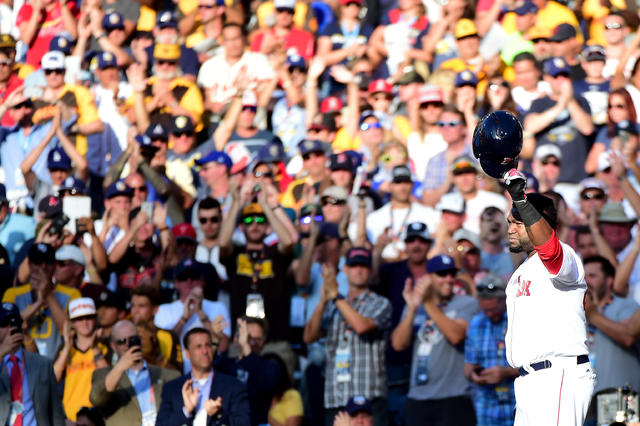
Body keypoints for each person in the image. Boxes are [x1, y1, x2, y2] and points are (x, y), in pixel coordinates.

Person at [502, 170, 595, 425]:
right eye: (510, 222)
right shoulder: (520, 272)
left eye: (517, 223)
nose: (510, 229)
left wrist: (522, 200)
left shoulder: (566, 256)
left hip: (558, 375)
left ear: (538, 223)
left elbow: (550, 251)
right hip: (530, 381)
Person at [303, 247, 392, 426]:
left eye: (364, 266)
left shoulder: (380, 303)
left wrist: (335, 295)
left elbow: (361, 326)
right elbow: (309, 337)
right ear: (345, 269)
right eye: (354, 265)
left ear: (370, 270)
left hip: (369, 401)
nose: (359, 270)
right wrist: (322, 300)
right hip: (337, 400)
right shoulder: (333, 304)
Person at [390, 254, 479, 426]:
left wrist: (428, 303)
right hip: (418, 398)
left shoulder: (466, 303)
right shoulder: (417, 306)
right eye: (442, 274)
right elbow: (398, 344)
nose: (449, 279)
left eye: (452, 274)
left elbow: (456, 335)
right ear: (429, 278)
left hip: (454, 397)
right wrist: (412, 309)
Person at [89, 320, 180, 425]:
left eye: (133, 339)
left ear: (140, 340)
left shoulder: (169, 375)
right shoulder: (103, 374)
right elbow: (96, 399)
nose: (128, 345)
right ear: (113, 346)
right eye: (122, 341)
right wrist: (120, 367)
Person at [156, 327, 251, 426]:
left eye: (208, 345)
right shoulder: (172, 388)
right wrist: (186, 411)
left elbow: (244, 423)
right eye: (198, 346)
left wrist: (219, 415)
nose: (205, 351)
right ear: (187, 353)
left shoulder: (233, 386)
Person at [3, 243, 81, 359]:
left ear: (54, 265)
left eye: (48, 262)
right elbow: (6, 330)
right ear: (29, 265)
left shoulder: (72, 294)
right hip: (21, 364)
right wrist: (38, 303)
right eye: (37, 262)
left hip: (59, 363)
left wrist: (48, 295)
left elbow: (69, 332)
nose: (43, 267)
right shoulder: (13, 294)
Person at [464, 273, 519, 426]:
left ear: (505, 301)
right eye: (485, 310)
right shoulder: (476, 324)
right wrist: (474, 376)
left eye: (494, 309)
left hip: (517, 405)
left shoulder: (520, 320)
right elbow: (468, 366)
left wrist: (506, 372)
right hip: (485, 407)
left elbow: (537, 365)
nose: (490, 314)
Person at [0, 302, 65, 426]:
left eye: (14, 323)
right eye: (3, 324)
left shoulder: (43, 364)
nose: (10, 328)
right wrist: (2, 352)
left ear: (22, 325)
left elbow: (56, 412)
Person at [53, 297, 109, 421]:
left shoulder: (106, 345)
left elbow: (109, 377)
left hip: (99, 417)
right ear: (71, 322)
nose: (84, 323)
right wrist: (67, 346)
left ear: (95, 319)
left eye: (89, 317)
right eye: (79, 319)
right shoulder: (65, 350)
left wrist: (95, 349)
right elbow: (53, 379)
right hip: (71, 418)